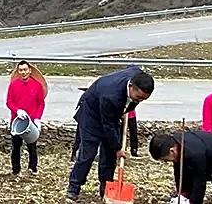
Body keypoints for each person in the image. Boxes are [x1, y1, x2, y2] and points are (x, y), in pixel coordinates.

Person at [66, 65, 155, 201]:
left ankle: (105, 190)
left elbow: (132, 66)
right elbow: (108, 126)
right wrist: (118, 148)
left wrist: (124, 109)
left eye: (143, 99)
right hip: (91, 116)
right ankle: (74, 188)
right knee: (87, 155)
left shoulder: (136, 74)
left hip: (110, 114)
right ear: (131, 86)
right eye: (137, 98)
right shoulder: (111, 97)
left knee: (108, 159)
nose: (139, 101)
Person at [6, 60, 46, 176]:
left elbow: (40, 103)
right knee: (16, 146)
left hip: (31, 121)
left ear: (29, 71)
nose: (23, 72)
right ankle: (16, 169)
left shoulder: (37, 85)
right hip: (17, 121)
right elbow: (9, 102)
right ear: (18, 72)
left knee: (32, 146)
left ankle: (32, 168)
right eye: (21, 70)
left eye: (25, 70)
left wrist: (37, 118)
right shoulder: (13, 85)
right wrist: (17, 110)